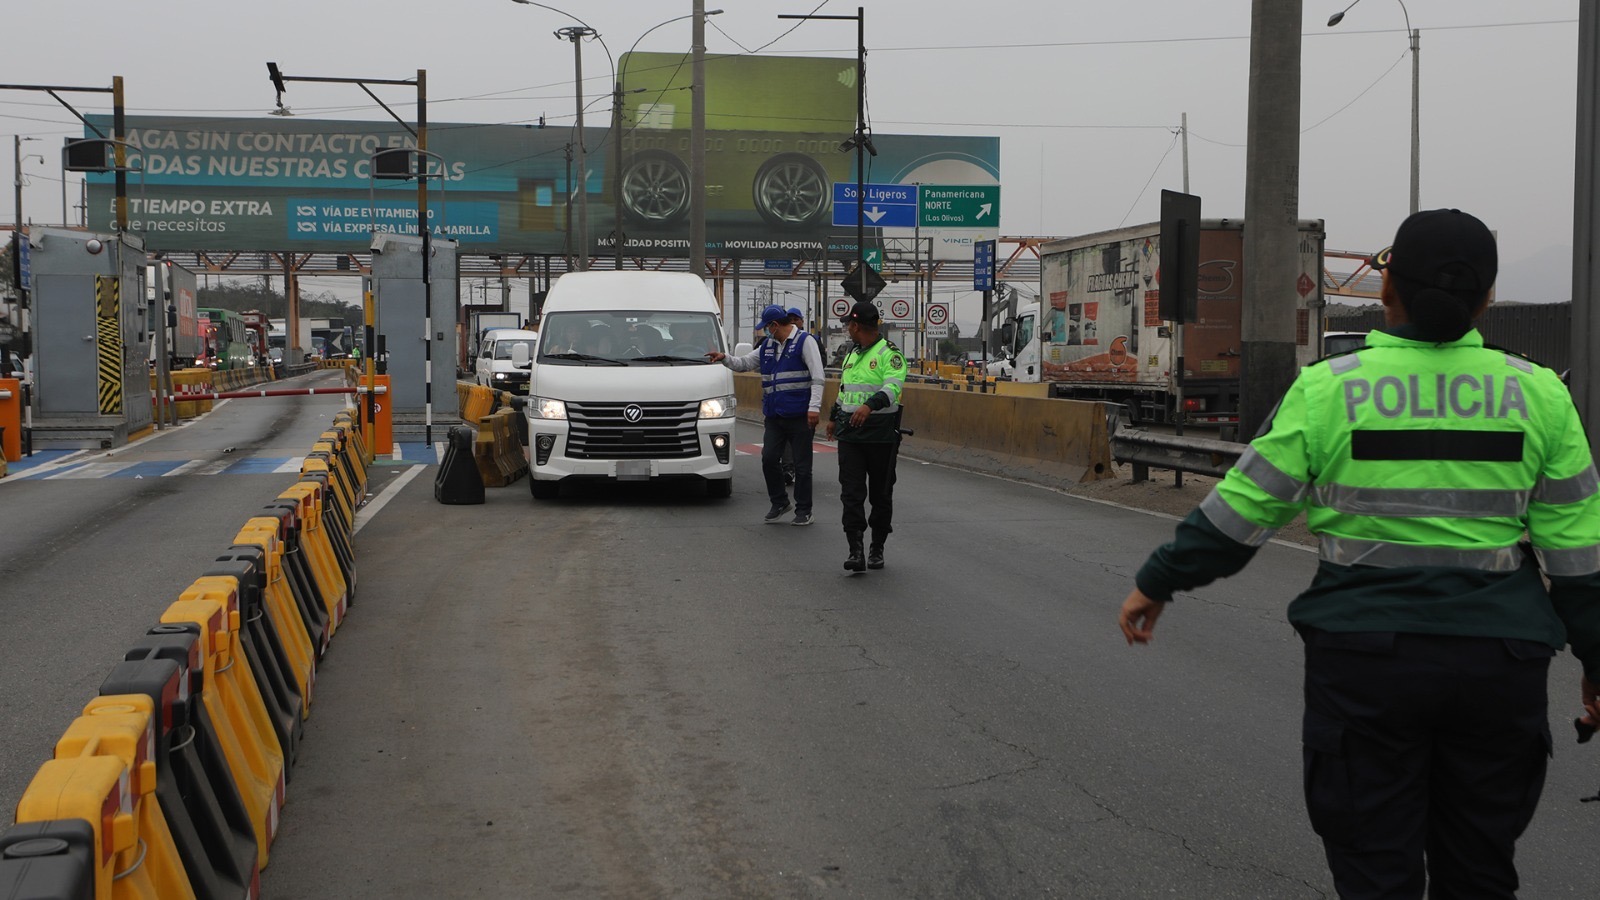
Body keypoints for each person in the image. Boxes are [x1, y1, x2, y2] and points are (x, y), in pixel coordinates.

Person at [1116, 209, 1600, 899]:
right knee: (1481, 870)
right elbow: (1579, 559)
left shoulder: (1329, 389)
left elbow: (1241, 514)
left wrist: (1157, 583)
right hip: (1500, 667)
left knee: (1375, 872)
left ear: (1384, 292)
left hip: (1366, 666)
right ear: (1488, 299)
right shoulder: (1541, 395)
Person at [706, 303, 825, 526]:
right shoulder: (767, 346)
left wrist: (814, 407)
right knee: (769, 459)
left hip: (800, 414)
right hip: (774, 415)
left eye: (767, 327)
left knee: (802, 466)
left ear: (775, 325)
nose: (765, 331)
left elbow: (818, 377)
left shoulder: (805, 342)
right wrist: (724, 357)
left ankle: (804, 510)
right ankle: (779, 502)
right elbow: (744, 364)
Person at [825, 301, 908, 572]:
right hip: (850, 435)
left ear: (856, 325)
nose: (847, 328)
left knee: (881, 495)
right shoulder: (852, 354)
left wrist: (869, 406)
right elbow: (845, 390)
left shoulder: (889, 354)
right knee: (851, 493)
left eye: (849, 323)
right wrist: (832, 416)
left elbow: (893, 388)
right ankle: (856, 549)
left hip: (881, 436)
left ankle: (877, 547)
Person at [779, 306, 809, 486]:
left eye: (795, 319)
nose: (792, 322)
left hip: (802, 403)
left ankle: (800, 470)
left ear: (802, 321)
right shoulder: (771, 342)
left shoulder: (809, 341)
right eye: (789, 319)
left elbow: (819, 370)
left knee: (800, 441)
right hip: (779, 405)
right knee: (782, 441)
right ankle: (788, 469)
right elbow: (751, 360)